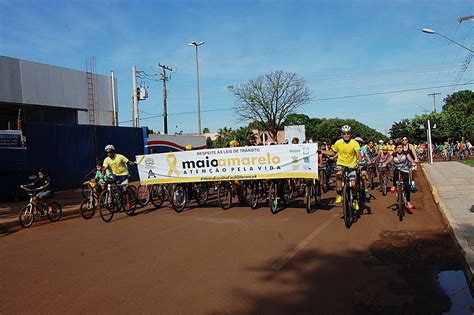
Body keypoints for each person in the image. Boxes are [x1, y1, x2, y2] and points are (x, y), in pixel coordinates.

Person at [321, 125, 362, 210]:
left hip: (352, 165)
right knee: (338, 175)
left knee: (353, 184)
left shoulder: (355, 143)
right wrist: (321, 151)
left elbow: (358, 154)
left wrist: (360, 163)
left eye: (348, 133)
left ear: (350, 134)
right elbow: (332, 153)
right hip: (341, 164)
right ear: (342, 134)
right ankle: (339, 194)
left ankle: (354, 200)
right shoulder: (338, 142)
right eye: (344, 133)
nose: (346, 135)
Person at [389, 142, 415, 212]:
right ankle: (394, 185)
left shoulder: (406, 153)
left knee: (407, 186)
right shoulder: (394, 154)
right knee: (395, 172)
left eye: (400, 147)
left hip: (405, 170)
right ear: (396, 149)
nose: (399, 149)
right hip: (397, 169)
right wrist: (384, 163)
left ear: (402, 148)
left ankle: (408, 202)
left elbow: (410, 159)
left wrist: (413, 162)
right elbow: (389, 159)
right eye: (398, 147)